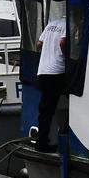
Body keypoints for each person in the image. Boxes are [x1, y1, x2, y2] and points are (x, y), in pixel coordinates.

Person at [34, 9, 68, 152]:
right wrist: (66, 57)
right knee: (72, 102)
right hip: (56, 72)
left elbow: (39, 44)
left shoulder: (51, 24)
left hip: (43, 71)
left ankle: (42, 140)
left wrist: (49, 51)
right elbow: (63, 42)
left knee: (45, 109)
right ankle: (62, 136)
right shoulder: (67, 25)